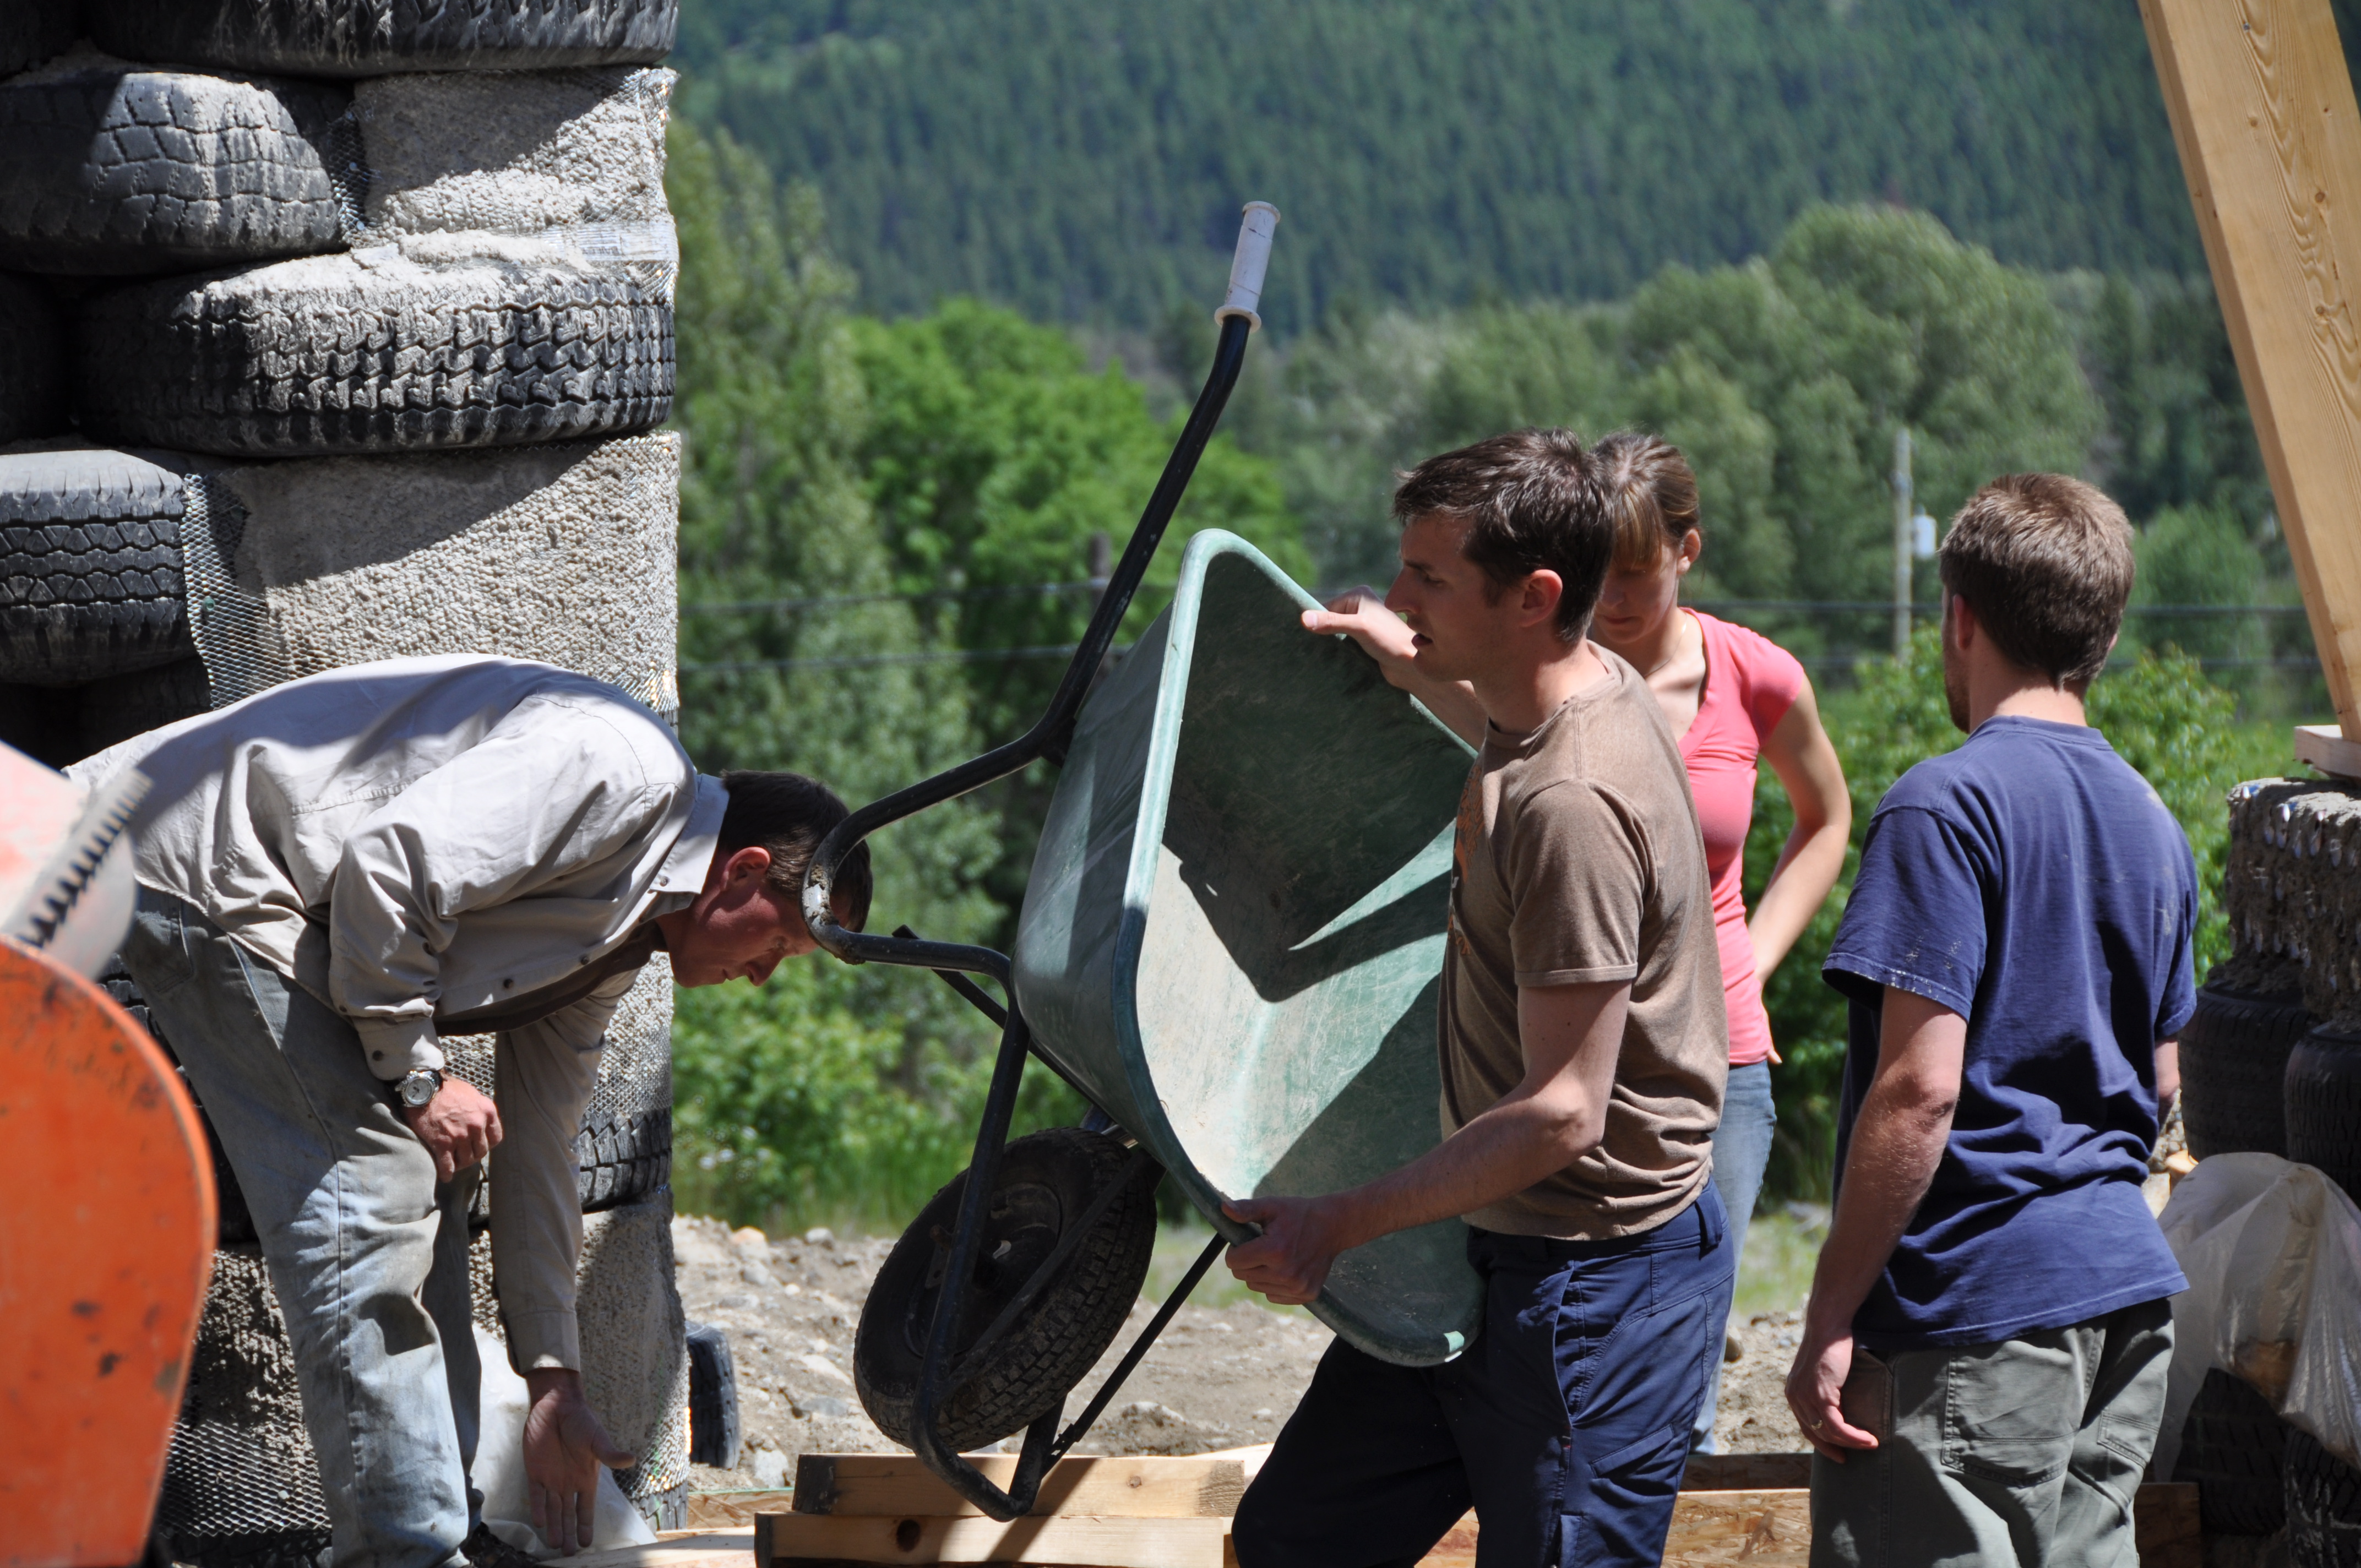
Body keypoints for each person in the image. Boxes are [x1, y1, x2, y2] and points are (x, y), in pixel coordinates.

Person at [72, 654, 873, 1566]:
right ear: (743, 874)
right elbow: (392, 862)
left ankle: (446, 1521)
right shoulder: (621, 767)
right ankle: (403, 1548)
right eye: (781, 945)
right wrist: (416, 1079)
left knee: (442, 1169)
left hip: (280, 902)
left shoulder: (615, 942)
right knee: (372, 1178)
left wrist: (552, 1381)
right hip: (204, 858)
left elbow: (541, 1152)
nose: (765, 976)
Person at [1225, 429, 1734, 1567]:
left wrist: (1332, 1222)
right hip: (1491, 1251)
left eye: (1430, 579)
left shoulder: (1573, 806)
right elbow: (1506, 733)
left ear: (1534, 595)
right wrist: (1404, 657)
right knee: (1296, 1541)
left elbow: (1563, 1109)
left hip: (1597, 1288)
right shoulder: (1569, 692)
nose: (1402, 594)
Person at [1784, 474, 2192, 1568]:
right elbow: (2163, 1091)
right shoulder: (2152, 822)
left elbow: (1918, 1087)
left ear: (1957, 619)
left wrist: (1829, 1312)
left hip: (1972, 1304)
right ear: (2100, 634)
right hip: (2120, 1294)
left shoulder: (1944, 802)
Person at [1582, 432, 1850, 1453]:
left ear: (1688, 551)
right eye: (1593, 571)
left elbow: (1827, 819)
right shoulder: (1541, 670)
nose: (1611, 597)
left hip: (1717, 1055)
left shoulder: (1757, 676)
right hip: (1562, 1045)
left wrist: (1756, 955)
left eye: (1636, 574)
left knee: (1684, 1346)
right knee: (1566, 1334)